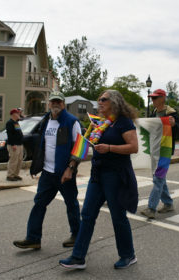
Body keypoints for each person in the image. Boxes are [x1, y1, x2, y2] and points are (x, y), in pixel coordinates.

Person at [59, 90, 139, 270]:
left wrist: (110, 147)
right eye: (98, 100)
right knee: (87, 214)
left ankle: (128, 255)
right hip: (98, 175)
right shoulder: (99, 122)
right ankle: (78, 257)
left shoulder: (123, 122)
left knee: (118, 217)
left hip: (115, 175)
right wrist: (71, 168)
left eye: (103, 99)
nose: (99, 102)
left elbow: (134, 147)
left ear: (115, 102)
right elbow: (83, 144)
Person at [13, 91, 82, 250]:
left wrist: (70, 169)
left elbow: (80, 148)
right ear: (49, 104)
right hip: (47, 173)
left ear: (63, 104)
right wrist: (36, 166)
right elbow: (42, 145)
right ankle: (33, 238)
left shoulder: (71, 122)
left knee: (71, 204)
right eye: (53, 102)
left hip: (64, 173)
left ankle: (77, 235)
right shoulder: (46, 120)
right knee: (39, 204)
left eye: (58, 102)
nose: (55, 104)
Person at [140, 89, 179, 219]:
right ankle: (168, 204)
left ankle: (151, 208)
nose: (152, 100)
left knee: (158, 178)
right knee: (160, 177)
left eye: (155, 98)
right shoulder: (154, 112)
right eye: (152, 98)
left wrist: (174, 124)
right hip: (155, 149)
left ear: (163, 98)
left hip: (164, 151)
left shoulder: (171, 113)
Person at [6, 108, 23, 181]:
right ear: (13, 114)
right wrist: (13, 144)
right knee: (13, 160)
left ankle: (16, 174)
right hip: (14, 145)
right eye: (17, 113)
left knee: (19, 160)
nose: (19, 114)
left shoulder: (16, 122)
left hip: (20, 144)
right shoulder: (10, 123)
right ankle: (10, 175)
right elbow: (10, 135)